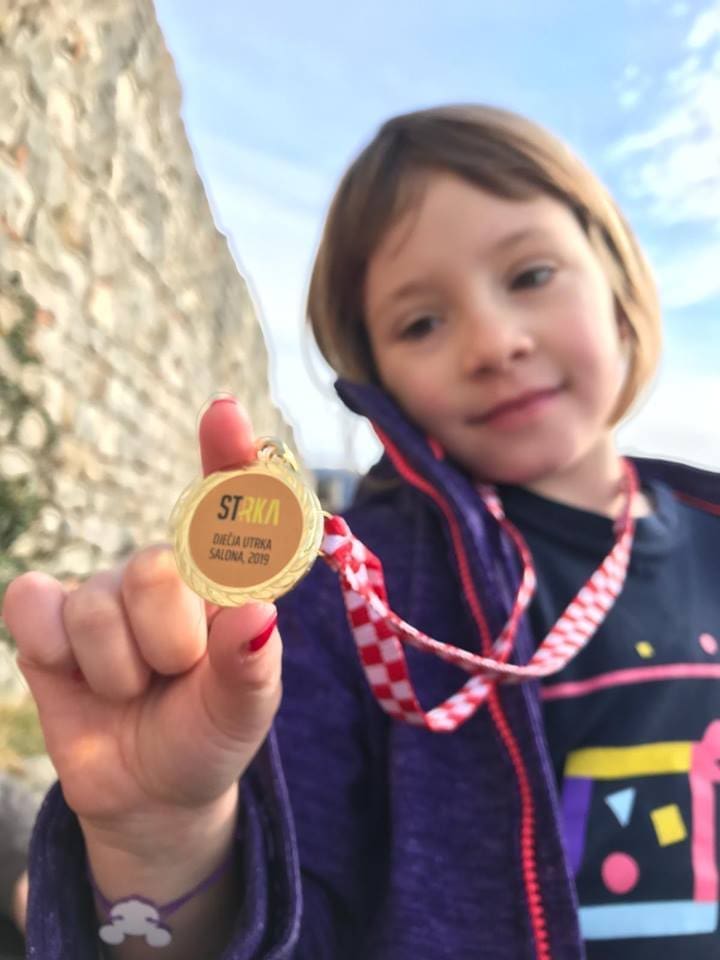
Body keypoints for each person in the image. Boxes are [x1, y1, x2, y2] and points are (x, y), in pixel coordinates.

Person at [3, 104, 720, 960]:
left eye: (531, 274)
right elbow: (301, 924)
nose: (493, 343)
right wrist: (164, 842)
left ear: (616, 277)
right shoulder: (344, 599)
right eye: (421, 323)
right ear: (376, 378)